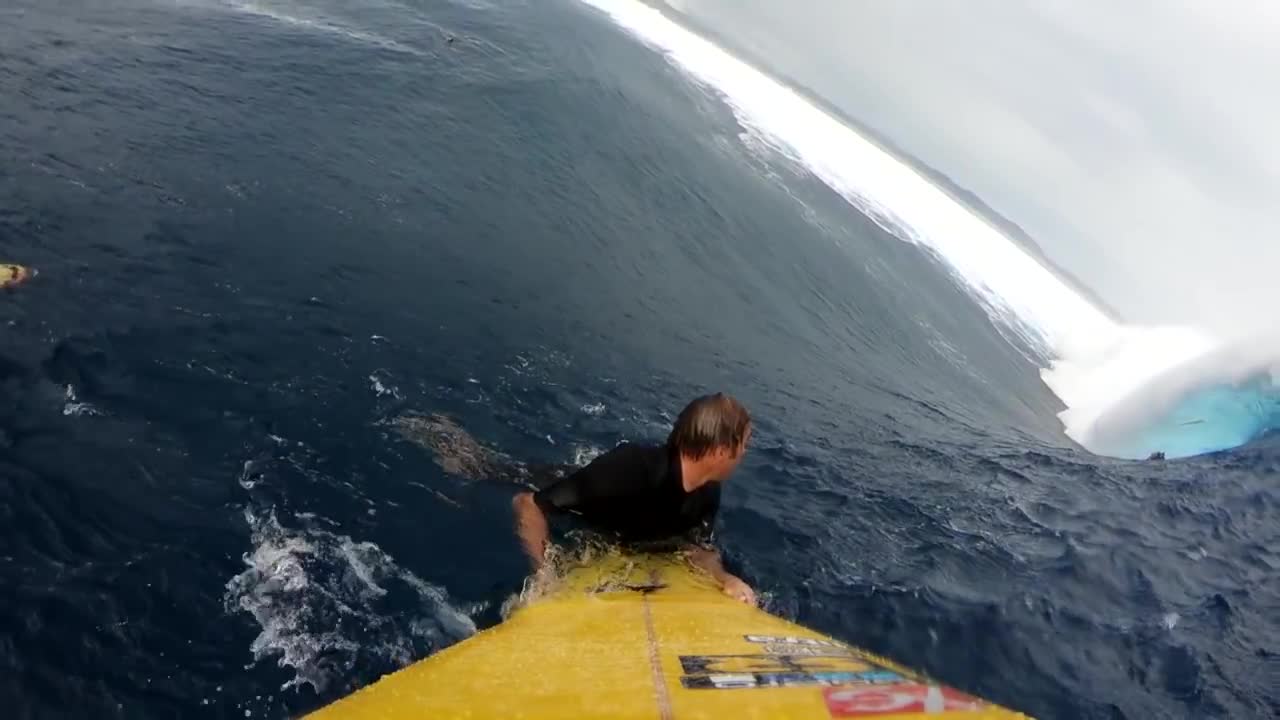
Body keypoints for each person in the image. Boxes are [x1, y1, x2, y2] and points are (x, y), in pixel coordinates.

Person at [511, 393, 756, 604]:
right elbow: (528, 504)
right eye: (745, 444)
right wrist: (545, 577)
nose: (745, 453)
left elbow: (697, 548)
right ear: (722, 451)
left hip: (621, 528)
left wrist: (725, 578)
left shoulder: (709, 491)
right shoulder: (635, 467)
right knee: (482, 466)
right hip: (554, 486)